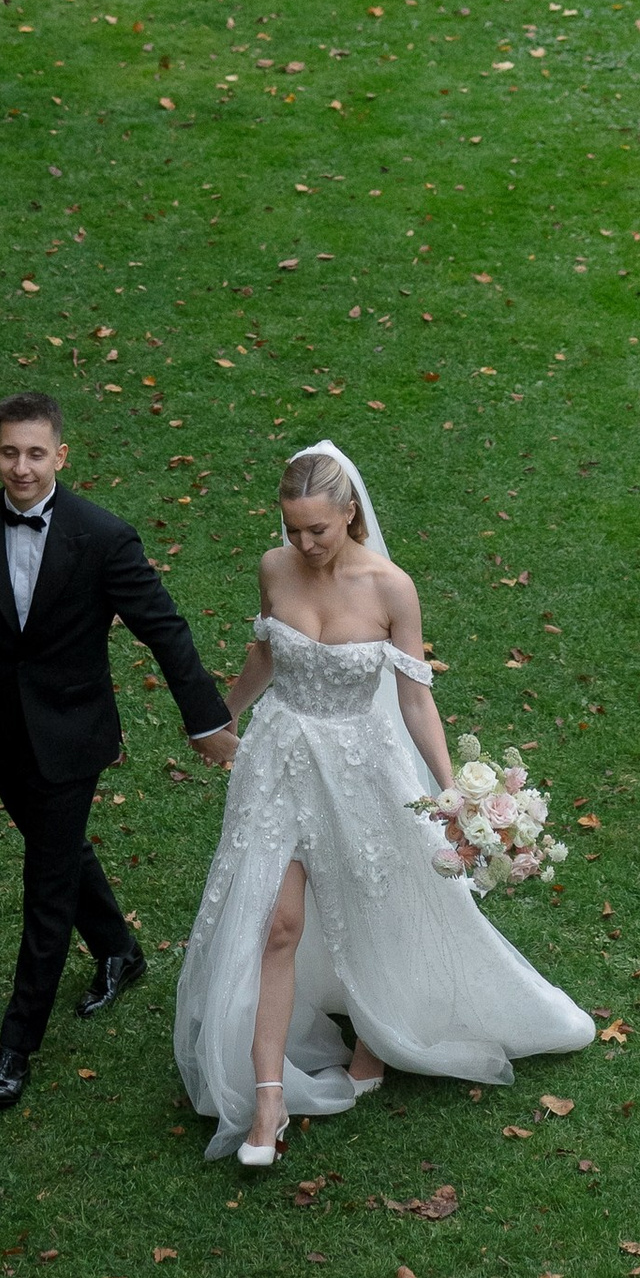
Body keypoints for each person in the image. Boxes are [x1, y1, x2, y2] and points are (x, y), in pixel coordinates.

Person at [173, 439, 594, 1167]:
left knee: (375, 904)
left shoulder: (390, 587)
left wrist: (452, 786)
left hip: (362, 763)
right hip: (280, 760)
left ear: (350, 514)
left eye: (317, 530)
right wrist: (219, 718)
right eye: (291, 527)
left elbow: (415, 696)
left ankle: (376, 1038)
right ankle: (268, 1098)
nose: (301, 544)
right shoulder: (275, 569)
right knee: (277, 923)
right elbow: (267, 654)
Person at [0, 386, 238, 1112]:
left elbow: (164, 628)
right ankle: (119, 951)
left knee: (46, 883)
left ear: (60, 455)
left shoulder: (102, 536)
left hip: (73, 738)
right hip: (3, 734)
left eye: (36, 453)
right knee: (58, 851)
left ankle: (16, 1046)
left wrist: (206, 721)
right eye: (9, 452)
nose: (22, 467)